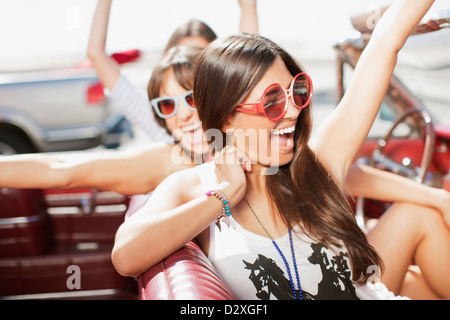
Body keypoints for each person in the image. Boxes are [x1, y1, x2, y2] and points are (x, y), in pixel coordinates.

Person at [111, 0, 449, 300]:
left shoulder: (317, 162)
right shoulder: (195, 187)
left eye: (296, 91)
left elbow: (385, 43)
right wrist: (226, 194)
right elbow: (126, 255)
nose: (291, 111)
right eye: (272, 100)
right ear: (228, 118)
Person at [86, 0, 258, 142]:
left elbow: (249, 64)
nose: (184, 113)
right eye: (179, 62)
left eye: (198, 61)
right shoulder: (162, 122)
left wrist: (248, 7)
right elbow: (95, 54)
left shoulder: (233, 125)